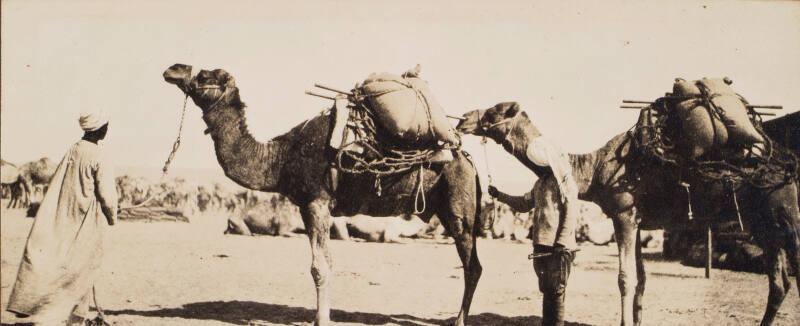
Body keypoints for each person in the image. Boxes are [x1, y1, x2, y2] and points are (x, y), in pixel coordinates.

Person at [6, 110, 117, 325]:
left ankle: (73, 317)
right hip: (86, 219)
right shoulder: (99, 156)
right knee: (84, 265)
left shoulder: (73, 150)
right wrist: (112, 216)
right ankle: (73, 318)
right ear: (98, 128)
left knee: (67, 264)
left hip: (65, 216)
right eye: (105, 126)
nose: (107, 130)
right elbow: (107, 195)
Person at [487, 138, 579, 326]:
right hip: (540, 244)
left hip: (559, 248)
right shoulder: (540, 183)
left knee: (557, 290)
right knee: (546, 289)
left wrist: (561, 243)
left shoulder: (567, 185)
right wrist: (500, 195)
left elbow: (571, 214)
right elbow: (524, 203)